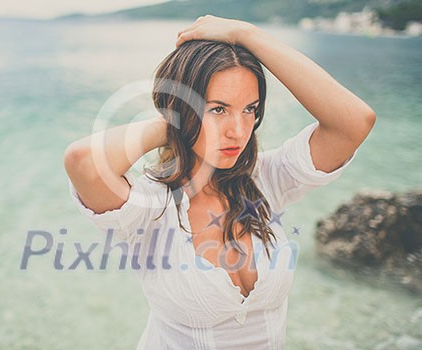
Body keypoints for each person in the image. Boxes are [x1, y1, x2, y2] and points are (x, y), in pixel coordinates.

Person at [63, 14, 375, 350]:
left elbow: (354, 122)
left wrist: (248, 35)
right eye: (219, 110)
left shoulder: (265, 182)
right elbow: (83, 162)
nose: (238, 132)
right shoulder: (150, 209)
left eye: (250, 109)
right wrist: (177, 118)